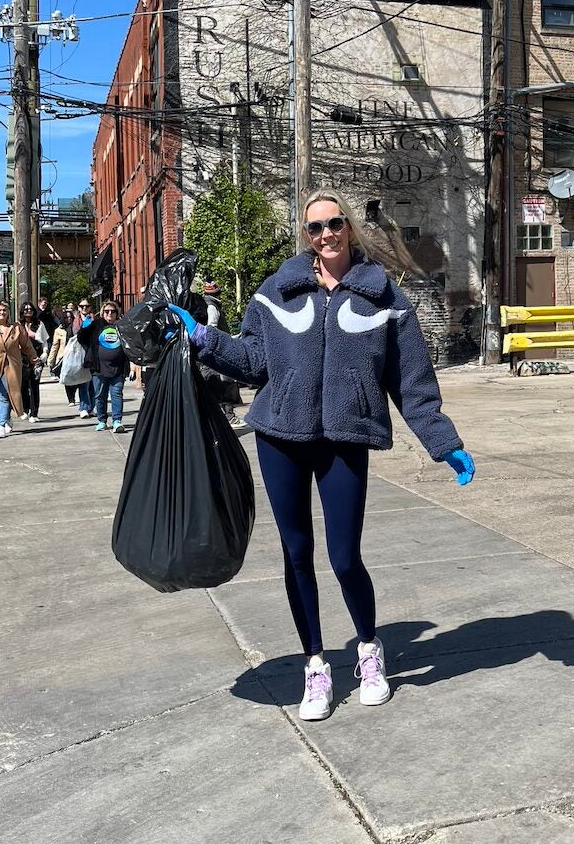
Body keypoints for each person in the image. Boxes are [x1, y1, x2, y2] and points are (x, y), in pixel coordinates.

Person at [170, 187, 475, 722]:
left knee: (343, 557)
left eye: (334, 223)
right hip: (280, 436)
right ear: (305, 235)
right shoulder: (277, 291)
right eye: (315, 227)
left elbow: (411, 379)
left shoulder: (383, 297)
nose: (326, 234)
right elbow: (254, 359)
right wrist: (204, 337)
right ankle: (315, 665)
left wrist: (441, 439)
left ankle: (368, 651)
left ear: (349, 227)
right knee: (295, 554)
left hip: (344, 438)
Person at [0, 300, 40, 439]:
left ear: (8, 313)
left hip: (11, 366)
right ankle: (6, 418)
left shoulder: (16, 328)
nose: (2, 313)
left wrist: (35, 360)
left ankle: (0, 425)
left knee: (5, 395)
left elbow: (27, 346)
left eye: (4, 311)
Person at [200, 281, 247, 430]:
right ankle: (229, 416)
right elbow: (211, 328)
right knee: (224, 384)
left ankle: (225, 416)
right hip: (217, 351)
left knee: (219, 384)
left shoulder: (207, 304)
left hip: (212, 351)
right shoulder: (212, 307)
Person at [77, 299, 129, 432]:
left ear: (117, 313)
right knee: (100, 396)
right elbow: (82, 339)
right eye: (107, 311)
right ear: (102, 313)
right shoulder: (96, 324)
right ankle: (102, 420)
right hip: (99, 368)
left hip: (118, 368)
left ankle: (117, 421)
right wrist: (84, 327)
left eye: (113, 312)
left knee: (117, 394)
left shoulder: (121, 326)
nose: (110, 314)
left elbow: (130, 344)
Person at [17, 302, 44, 422]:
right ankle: (25, 408)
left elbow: (44, 341)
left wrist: (45, 354)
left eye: (30, 309)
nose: (28, 311)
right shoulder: (18, 325)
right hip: (21, 358)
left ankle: (34, 413)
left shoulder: (39, 324)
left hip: (36, 358)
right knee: (22, 385)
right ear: (22, 311)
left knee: (34, 386)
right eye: (26, 309)